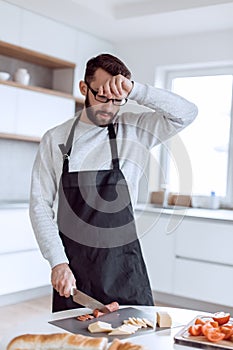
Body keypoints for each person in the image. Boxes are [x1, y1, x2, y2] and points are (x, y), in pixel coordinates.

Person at [29, 53, 198, 312]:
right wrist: (57, 262)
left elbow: (187, 113)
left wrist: (136, 90)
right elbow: (40, 205)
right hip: (74, 272)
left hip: (124, 270)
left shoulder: (134, 131)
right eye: (101, 96)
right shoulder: (55, 139)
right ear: (84, 88)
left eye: (118, 99)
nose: (109, 107)